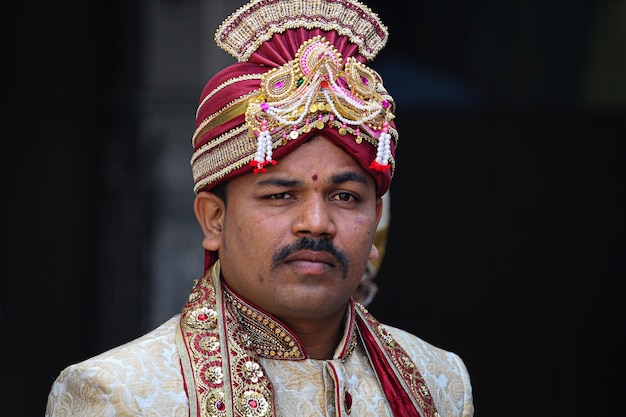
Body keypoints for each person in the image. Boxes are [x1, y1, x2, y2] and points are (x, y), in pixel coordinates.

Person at [45, 0, 474, 415]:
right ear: (214, 218)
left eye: (345, 197)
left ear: (376, 218)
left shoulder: (437, 381)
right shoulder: (120, 394)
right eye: (280, 196)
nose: (317, 223)